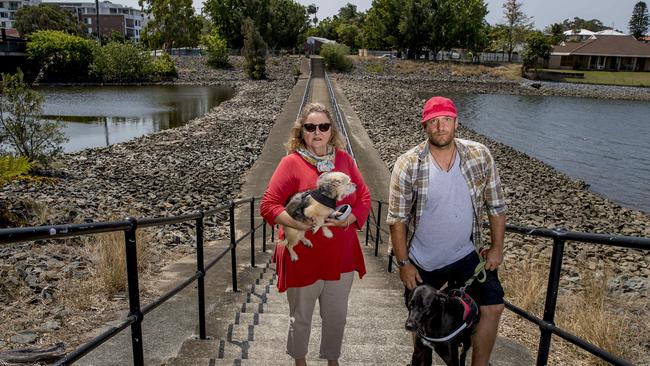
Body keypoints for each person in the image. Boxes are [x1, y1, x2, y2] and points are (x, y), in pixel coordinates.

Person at [387, 96, 507, 366]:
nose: (440, 127)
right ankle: (422, 358)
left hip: (464, 254)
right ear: (425, 126)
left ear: (456, 122)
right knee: (422, 320)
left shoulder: (479, 154)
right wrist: (404, 263)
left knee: (493, 305)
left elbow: (496, 204)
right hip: (422, 261)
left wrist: (497, 247)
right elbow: (397, 219)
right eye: (433, 122)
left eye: (446, 120)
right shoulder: (408, 164)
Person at [260, 102, 371, 366]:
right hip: (304, 257)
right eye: (310, 127)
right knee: (301, 318)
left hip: (339, 257)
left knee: (336, 317)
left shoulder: (344, 160)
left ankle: (333, 361)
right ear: (302, 132)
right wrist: (299, 226)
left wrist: (351, 218)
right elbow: (269, 205)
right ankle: (300, 362)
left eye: (323, 126)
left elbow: (364, 197)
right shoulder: (291, 163)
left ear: (331, 131)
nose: (317, 132)